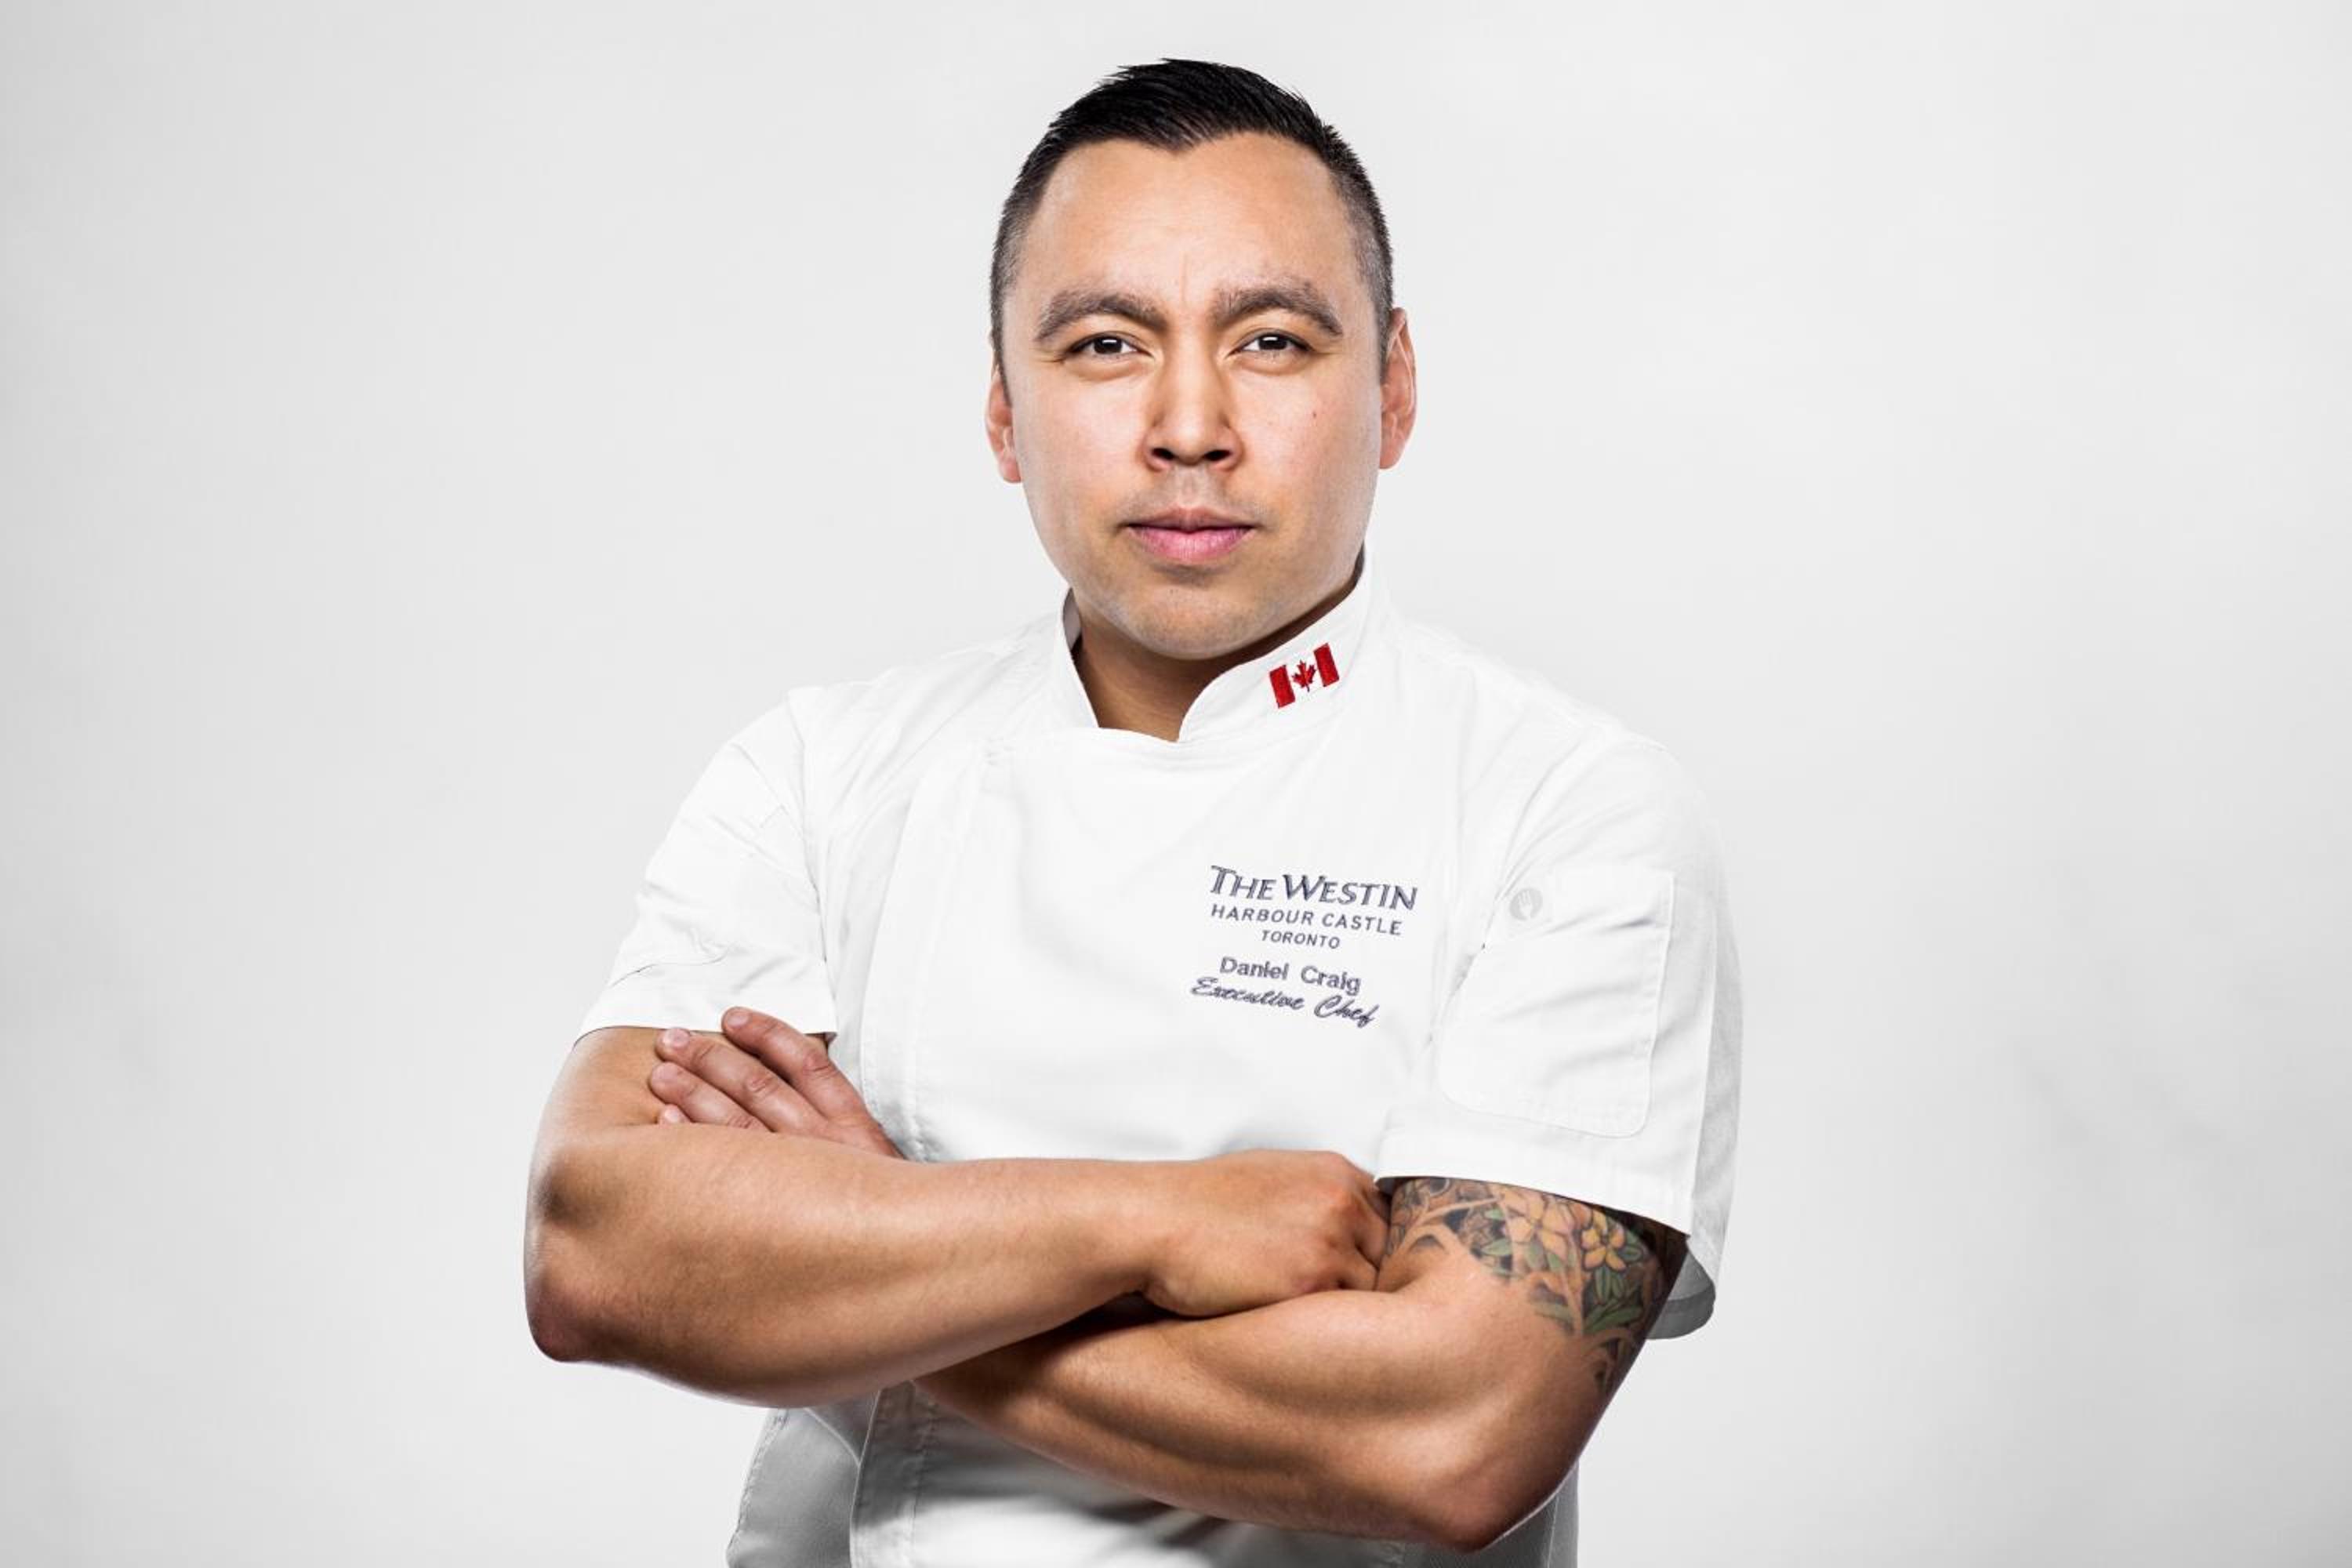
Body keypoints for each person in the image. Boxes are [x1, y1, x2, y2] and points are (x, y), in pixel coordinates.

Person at [524, 56, 1742, 1567]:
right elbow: (596, 1253)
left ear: (1395, 388)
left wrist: (870, 1249)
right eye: (1106, 344)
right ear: (1003, 410)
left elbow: (1454, 1437)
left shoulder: (1568, 815)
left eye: (1273, 340)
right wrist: (1157, 1221)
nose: (1189, 425)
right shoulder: (819, 776)